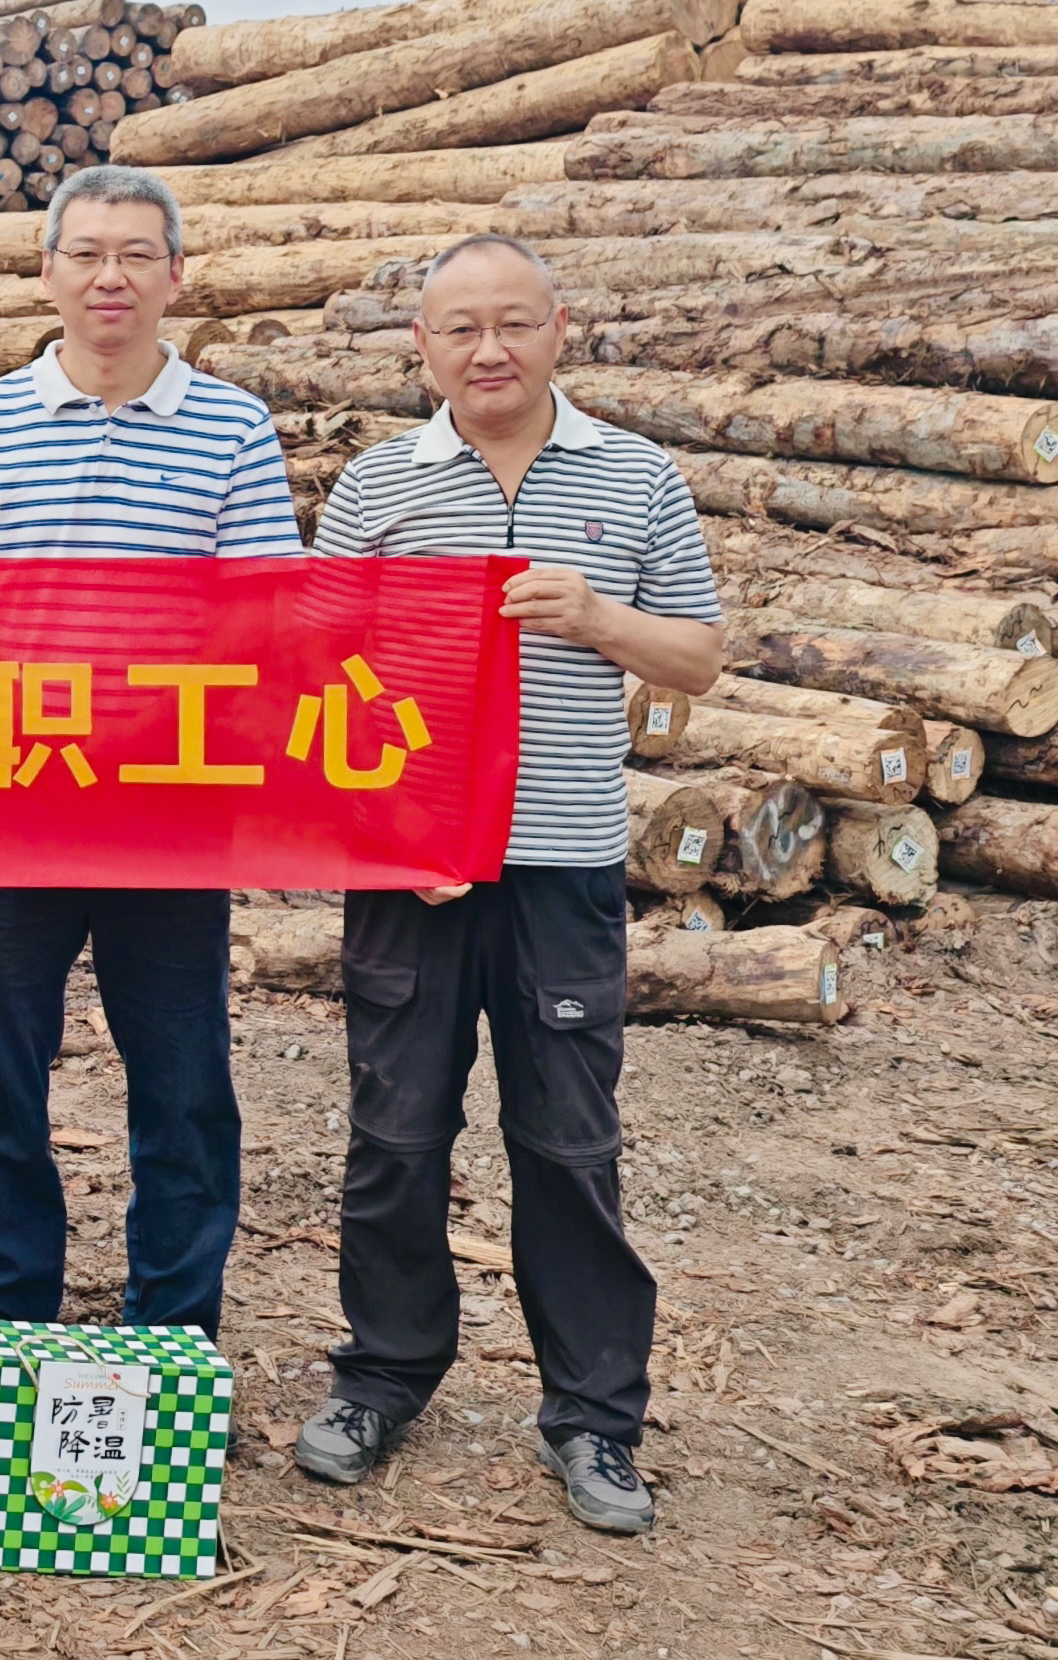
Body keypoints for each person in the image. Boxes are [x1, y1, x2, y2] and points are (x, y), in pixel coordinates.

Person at [292, 234, 722, 1537]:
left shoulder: (635, 477)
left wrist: (597, 619)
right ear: (423, 347)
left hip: (562, 867)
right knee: (395, 1138)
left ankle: (594, 1418)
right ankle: (380, 1378)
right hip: (413, 871)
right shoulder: (380, 485)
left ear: (558, 328)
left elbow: (697, 655)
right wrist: (385, 832)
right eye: (461, 328)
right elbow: (313, 673)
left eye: (513, 323)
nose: (489, 350)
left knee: (569, 1144)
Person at [0, 164, 301, 1336]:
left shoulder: (231, 426)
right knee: (0, 1080)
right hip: (13, 807)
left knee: (181, 1084)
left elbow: (264, 618)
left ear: (176, 273)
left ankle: (171, 1329)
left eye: (134, 253)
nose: (108, 276)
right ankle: (8, 1319)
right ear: (46, 273)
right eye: (84, 253)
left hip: (169, 813)